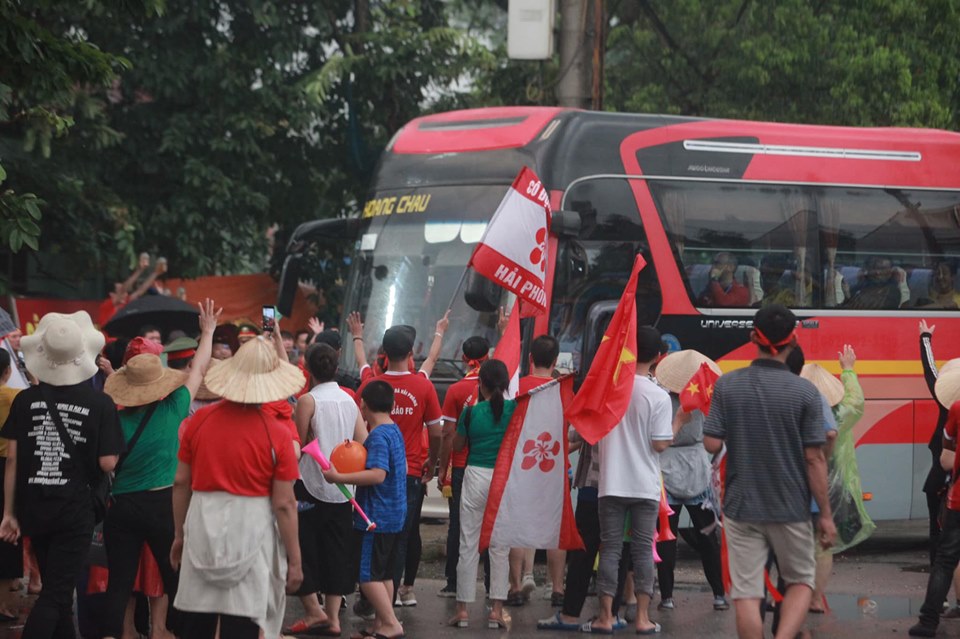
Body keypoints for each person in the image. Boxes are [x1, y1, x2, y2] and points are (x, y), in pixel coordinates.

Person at [702, 304, 836, 639]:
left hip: (741, 506)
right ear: (794, 340)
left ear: (753, 338)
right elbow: (815, 459)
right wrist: (825, 515)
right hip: (790, 507)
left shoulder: (727, 385)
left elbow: (711, 443)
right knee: (801, 581)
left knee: (747, 592)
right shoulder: (806, 392)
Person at [0, 311, 125, 637]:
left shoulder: (24, 400)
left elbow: (12, 460)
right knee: (56, 595)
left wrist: (9, 513)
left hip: (33, 506)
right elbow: (107, 463)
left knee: (58, 589)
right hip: (75, 509)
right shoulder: (100, 404)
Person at [170, 336, 305, 638]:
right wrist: (295, 560)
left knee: (196, 621)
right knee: (242, 622)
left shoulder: (199, 421)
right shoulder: (278, 434)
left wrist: (179, 534)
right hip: (251, 528)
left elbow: (181, 482)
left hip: (202, 523)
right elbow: (285, 504)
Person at [99, 299, 219, 639]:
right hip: (162, 506)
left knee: (120, 582)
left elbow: (106, 463)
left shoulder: (115, 417)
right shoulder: (175, 406)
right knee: (175, 577)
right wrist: (208, 331)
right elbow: (199, 368)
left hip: (121, 506)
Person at [580, 326, 672, 635]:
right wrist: (678, 424)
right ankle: (643, 618)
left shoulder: (609, 390)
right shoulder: (659, 396)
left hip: (611, 482)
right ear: (658, 356)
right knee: (643, 550)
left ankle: (605, 617)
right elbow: (659, 443)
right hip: (645, 485)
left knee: (610, 550)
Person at [355, 324, 443, 608]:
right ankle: (388, 603)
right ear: (410, 352)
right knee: (399, 539)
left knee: (372, 534)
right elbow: (437, 432)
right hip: (410, 474)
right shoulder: (423, 386)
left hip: (373, 473)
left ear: (383, 352)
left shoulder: (371, 385)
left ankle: (370, 600)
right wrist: (432, 462)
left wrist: (357, 335)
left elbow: (355, 423)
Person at [284, 343, 367, 637]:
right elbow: (362, 441)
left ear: (307, 368)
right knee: (337, 551)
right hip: (343, 488)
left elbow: (300, 441)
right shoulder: (349, 400)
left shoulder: (307, 400)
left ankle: (313, 612)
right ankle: (333, 618)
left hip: (310, 484)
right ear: (336, 368)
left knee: (305, 548)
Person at [321, 380, 407, 639]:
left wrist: (339, 478)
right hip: (394, 514)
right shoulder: (394, 430)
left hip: (375, 516)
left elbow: (378, 474)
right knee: (384, 575)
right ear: (392, 404)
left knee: (367, 576)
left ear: (364, 406)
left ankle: (391, 623)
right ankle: (379, 625)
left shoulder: (378, 436)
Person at [651, 349, 728, 612]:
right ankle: (719, 594)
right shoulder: (707, 398)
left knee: (666, 536)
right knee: (707, 536)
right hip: (698, 467)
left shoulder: (661, 399)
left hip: (666, 468)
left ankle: (667, 597)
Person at [800, 346, 875, 612]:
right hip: (828, 485)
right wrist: (848, 370)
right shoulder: (838, 414)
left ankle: (792, 594)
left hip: (796, 483)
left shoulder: (792, 409)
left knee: (794, 544)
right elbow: (856, 401)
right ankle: (815, 598)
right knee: (823, 546)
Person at [447, 359, 513, 629]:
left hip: (475, 476)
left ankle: (462, 610)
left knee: (468, 542)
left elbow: (458, 445)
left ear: (480, 383)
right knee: (500, 547)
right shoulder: (515, 410)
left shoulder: (471, 412)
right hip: (504, 479)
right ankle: (496, 610)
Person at [509, 335, 569, 608]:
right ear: (555, 361)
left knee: (517, 526)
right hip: (554, 467)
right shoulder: (563, 390)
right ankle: (557, 588)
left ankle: (515, 587)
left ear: (531, 358)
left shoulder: (517, 389)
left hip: (521, 466)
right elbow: (572, 432)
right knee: (556, 528)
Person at [436, 336, 490, 598]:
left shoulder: (456, 390)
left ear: (463, 359)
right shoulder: (498, 388)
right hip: (489, 465)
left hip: (460, 467)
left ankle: (454, 583)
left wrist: (441, 469)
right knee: (490, 523)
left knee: (458, 523)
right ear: (487, 357)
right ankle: (492, 586)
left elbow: (448, 434)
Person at [910, 370, 960, 637]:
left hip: (959, 500)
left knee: (945, 559)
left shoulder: (957, 408)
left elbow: (947, 449)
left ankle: (928, 621)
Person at [0, 350, 21, 622]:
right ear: (7, 371)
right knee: (6, 535)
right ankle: (2, 602)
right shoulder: (15, 396)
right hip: (6, 468)